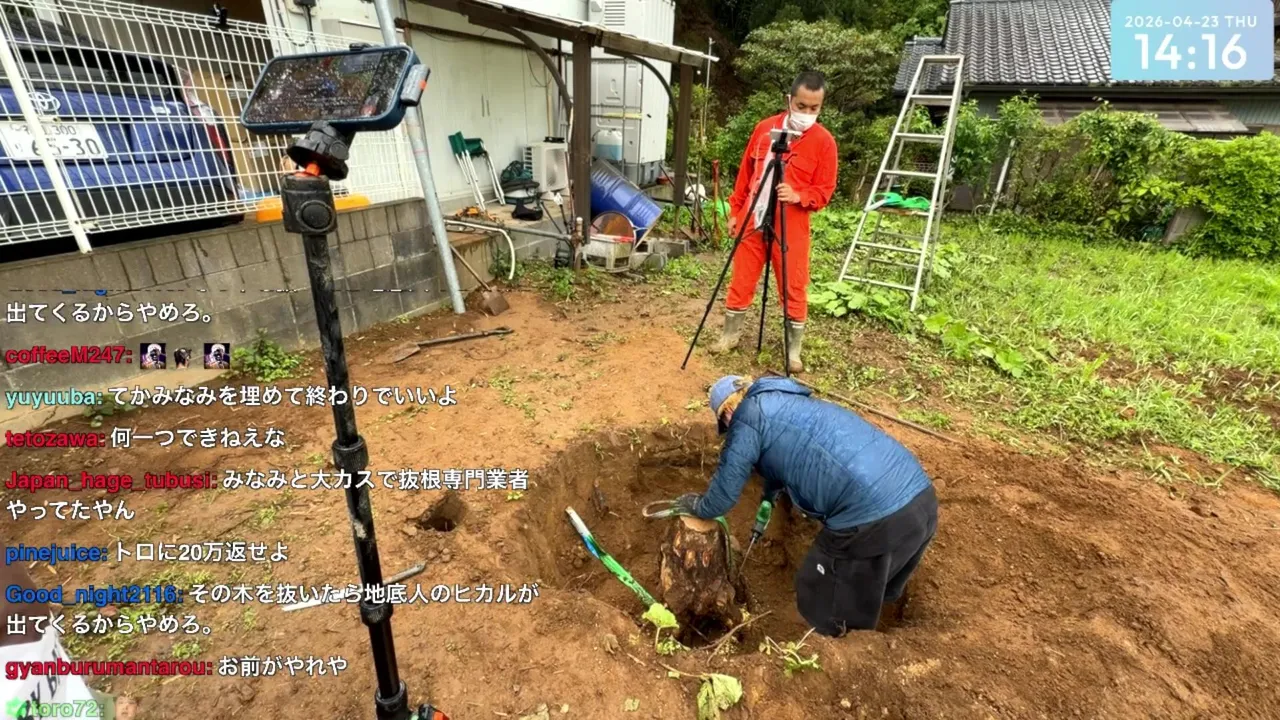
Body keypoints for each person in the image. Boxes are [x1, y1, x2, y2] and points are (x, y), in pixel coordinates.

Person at [673, 375, 938, 637]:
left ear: (728, 411)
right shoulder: (790, 401)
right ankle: (863, 628)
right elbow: (792, 451)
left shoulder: (746, 417)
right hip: (920, 501)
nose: (730, 429)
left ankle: (828, 642)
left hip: (873, 518)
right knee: (873, 585)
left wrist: (699, 506)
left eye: (725, 423)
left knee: (816, 588)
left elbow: (722, 496)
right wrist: (769, 495)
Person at [709, 71, 839, 374]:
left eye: (814, 108)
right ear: (789, 100)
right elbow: (746, 174)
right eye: (801, 106)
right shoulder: (764, 129)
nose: (807, 113)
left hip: (792, 224)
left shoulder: (824, 142)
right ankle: (729, 335)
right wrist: (735, 211)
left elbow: (825, 190)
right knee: (741, 279)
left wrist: (799, 194)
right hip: (753, 217)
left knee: (793, 284)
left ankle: (793, 350)